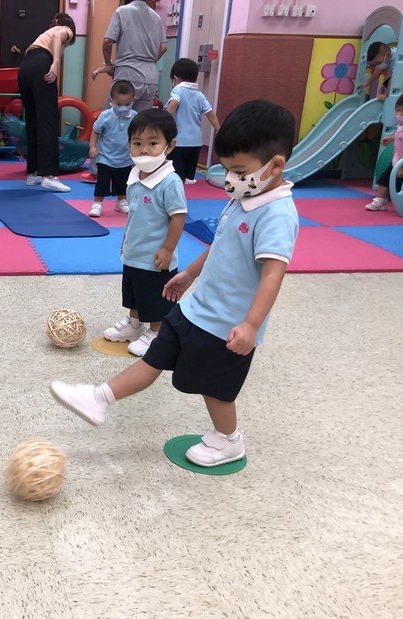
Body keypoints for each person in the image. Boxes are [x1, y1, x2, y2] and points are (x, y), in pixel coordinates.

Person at [50, 100, 299, 467]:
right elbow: (221, 245)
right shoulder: (243, 196)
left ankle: (228, 440)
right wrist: (189, 274)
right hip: (196, 309)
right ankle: (98, 398)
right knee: (154, 357)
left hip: (226, 325)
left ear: (274, 166)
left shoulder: (277, 214)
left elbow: (273, 274)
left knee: (216, 390)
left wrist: (250, 324)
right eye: (227, 169)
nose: (229, 179)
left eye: (238, 170)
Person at [101, 108, 186, 357]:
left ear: (170, 146)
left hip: (156, 256)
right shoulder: (134, 175)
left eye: (152, 143)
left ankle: (157, 332)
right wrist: (126, 240)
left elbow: (178, 216)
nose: (144, 150)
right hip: (134, 251)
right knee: (133, 292)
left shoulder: (170, 181)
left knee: (155, 297)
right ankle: (134, 323)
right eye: (137, 143)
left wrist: (168, 249)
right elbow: (135, 214)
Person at [17, 13, 77, 193]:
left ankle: (33, 173)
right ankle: (49, 176)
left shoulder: (43, 36)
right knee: (48, 121)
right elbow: (59, 37)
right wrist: (56, 62)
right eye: (68, 45)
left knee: (33, 121)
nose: (66, 46)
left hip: (25, 67)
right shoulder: (64, 30)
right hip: (41, 64)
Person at [91, 0, 167, 112]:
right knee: (140, 121)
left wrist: (108, 64)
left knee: (110, 118)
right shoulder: (156, 17)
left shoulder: (122, 11)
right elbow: (163, 47)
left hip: (128, 75)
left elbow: (107, 42)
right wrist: (149, 62)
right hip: (151, 79)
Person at [365, 91, 403, 212]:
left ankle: (388, 201)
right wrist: (391, 138)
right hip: (397, 161)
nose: (399, 114)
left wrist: (402, 166)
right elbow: (401, 136)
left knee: (397, 184)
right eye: (397, 110)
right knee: (384, 179)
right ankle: (379, 201)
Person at [165, 58, 221, 185]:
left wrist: (165, 119)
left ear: (175, 78)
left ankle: (177, 186)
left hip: (178, 141)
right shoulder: (199, 95)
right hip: (196, 142)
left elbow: (174, 102)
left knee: (173, 171)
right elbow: (210, 113)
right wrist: (218, 129)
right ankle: (186, 180)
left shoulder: (178, 90)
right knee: (187, 170)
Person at [88, 81, 137, 218]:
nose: (123, 108)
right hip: (105, 157)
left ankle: (121, 201)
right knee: (102, 181)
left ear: (133, 101)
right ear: (112, 100)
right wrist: (92, 146)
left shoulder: (134, 116)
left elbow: (138, 134)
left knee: (123, 181)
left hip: (125, 158)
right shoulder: (105, 116)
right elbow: (95, 131)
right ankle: (97, 203)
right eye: (119, 104)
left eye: (127, 104)